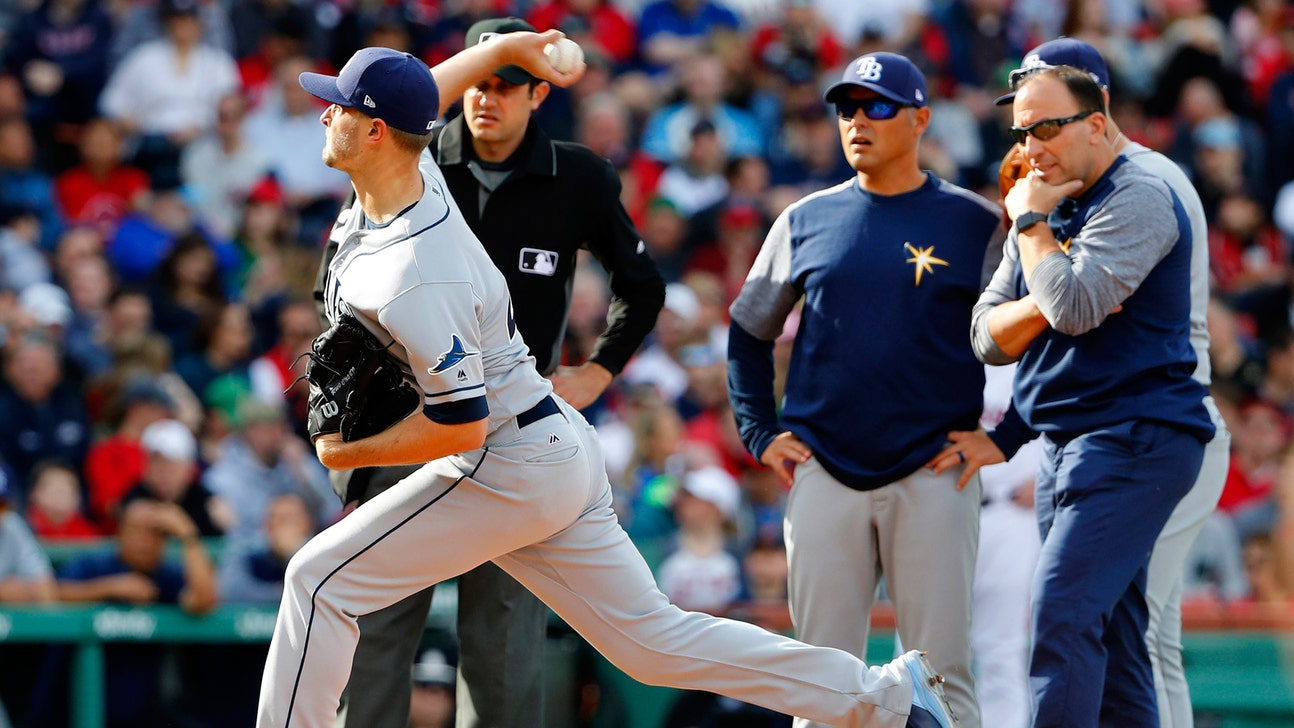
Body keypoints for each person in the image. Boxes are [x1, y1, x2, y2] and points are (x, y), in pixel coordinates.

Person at [256, 39, 959, 728]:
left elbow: (462, 424)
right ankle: (885, 698)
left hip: (501, 460)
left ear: (374, 131)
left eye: (339, 107)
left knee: (317, 582)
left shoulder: (417, 267)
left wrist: (346, 452)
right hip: (545, 447)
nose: (325, 115)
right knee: (652, 643)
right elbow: (424, 96)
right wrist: (524, 49)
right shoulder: (414, 171)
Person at [326, 16, 667, 728]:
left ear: (537, 94)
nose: (488, 96)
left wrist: (598, 372)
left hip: (511, 426)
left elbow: (644, 284)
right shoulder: (416, 160)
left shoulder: (576, 176)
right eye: (479, 81)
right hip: (405, 416)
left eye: (508, 83)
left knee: (503, 638)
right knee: (379, 621)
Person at [935, 38, 1233, 728]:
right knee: (1117, 638)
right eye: (1020, 130)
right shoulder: (1043, 199)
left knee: (1065, 616)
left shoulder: (1143, 191)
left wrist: (1036, 238)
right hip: (1068, 441)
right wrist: (1048, 279)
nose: (1031, 145)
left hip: (1140, 433)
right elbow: (986, 335)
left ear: (1097, 121)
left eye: (1046, 127)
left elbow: (1070, 311)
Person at [726, 52, 1004, 728]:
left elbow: (1040, 332)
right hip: (825, 465)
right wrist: (760, 431)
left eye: (877, 106)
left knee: (941, 674)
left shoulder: (976, 222)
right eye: (847, 107)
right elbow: (747, 330)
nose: (857, 121)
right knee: (819, 676)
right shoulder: (803, 218)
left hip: (936, 469)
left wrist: (1008, 434)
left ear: (920, 120)